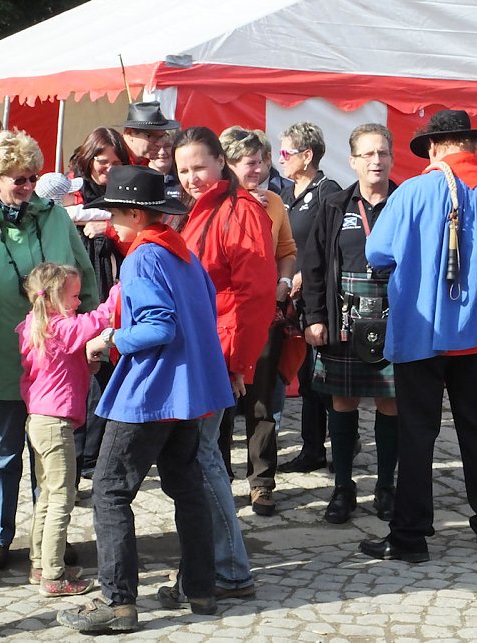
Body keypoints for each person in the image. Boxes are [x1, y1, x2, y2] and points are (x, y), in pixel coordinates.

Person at [57, 166, 232, 632]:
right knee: (187, 488)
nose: (111, 222)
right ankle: (200, 589)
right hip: (188, 393)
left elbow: (159, 327)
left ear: (135, 214)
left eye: (115, 212)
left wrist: (110, 339)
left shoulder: (143, 257)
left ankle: (118, 604)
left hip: (151, 392)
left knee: (110, 491)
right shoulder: (183, 254)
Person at [359, 109, 477, 561]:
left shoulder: (413, 192)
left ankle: (410, 537)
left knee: (417, 434)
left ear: (434, 148)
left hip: (422, 333)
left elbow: (377, 253)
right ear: (472, 146)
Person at [0, 129, 99, 571]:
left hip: (56, 363)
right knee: (1, 451)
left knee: (50, 453)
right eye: (19, 178)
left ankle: (48, 536)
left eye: (34, 176)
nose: (29, 186)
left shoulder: (55, 219)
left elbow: (86, 277)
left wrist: (91, 340)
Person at [166, 126, 275, 604]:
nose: (191, 177)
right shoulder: (202, 208)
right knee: (199, 458)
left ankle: (229, 569)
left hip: (217, 355)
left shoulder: (240, 211)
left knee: (202, 458)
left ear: (220, 162)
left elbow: (254, 296)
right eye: (183, 170)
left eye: (199, 167)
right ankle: (215, 565)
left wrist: (236, 364)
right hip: (202, 352)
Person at [303, 123, 400, 524]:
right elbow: (313, 265)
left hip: (395, 317)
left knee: (391, 401)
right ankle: (343, 487)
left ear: (391, 158)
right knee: (342, 401)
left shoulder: (405, 202)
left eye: (383, 153)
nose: (376, 160)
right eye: (368, 154)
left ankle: (386, 486)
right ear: (353, 161)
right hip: (344, 315)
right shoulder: (334, 206)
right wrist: (314, 317)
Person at [17, 262, 118, 597]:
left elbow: (61, 364)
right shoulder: (62, 327)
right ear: (53, 299)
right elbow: (97, 320)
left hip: (39, 420)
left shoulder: (37, 325)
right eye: (74, 297)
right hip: (56, 424)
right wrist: (118, 291)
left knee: (47, 496)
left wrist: (83, 365)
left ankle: (40, 564)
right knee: (62, 498)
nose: (78, 302)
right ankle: (54, 576)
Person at [218, 125, 297, 516]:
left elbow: (287, 250)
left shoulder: (275, 203)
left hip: (264, 314)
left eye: (262, 161)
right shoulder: (215, 204)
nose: (259, 169)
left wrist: (284, 281)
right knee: (219, 403)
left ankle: (262, 482)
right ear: (229, 165)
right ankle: (218, 479)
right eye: (250, 163)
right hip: (222, 317)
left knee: (263, 400)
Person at [276, 121, 341, 474]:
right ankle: (313, 447)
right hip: (291, 301)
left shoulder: (328, 192)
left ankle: (340, 439)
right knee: (306, 377)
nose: (280, 159)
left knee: (323, 378)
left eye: (286, 152)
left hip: (317, 299)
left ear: (307, 155)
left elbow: (333, 248)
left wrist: (302, 277)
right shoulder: (286, 194)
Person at [67, 127, 130, 483]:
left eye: (116, 162)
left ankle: (95, 458)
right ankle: (78, 462)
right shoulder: (71, 194)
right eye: (102, 161)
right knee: (82, 383)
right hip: (78, 301)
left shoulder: (125, 195)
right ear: (88, 160)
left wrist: (110, 231)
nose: (108, 168)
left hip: (115, 299)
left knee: (105, 380)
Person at [121, 102, 179, 167]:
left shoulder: (147, 160)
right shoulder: (115, 157)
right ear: (129, 133)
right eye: (153, 136)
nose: (159, 143)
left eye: (162, 137)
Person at [252, 129, 293, 195]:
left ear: (268, 158)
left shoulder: (291, 191)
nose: (249, 169)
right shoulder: (234, 189)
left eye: (252, 163)